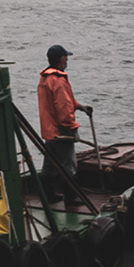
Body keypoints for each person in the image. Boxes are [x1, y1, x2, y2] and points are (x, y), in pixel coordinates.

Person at [37, 47, 85, 192]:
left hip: (49, 129)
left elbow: (62, 101)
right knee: (68, 165)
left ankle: (49, 195)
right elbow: (63, 106)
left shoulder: (45, 78)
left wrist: (79, 106)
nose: (67, 60)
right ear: (61, 59)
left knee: (49, 165)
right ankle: (71, 198)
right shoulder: (58, 80)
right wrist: (72, 127)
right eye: (66, 57)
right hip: (61, 130)